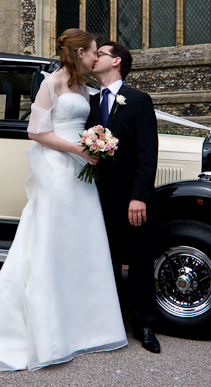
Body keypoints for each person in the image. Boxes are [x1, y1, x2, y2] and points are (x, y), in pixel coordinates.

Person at [0, 29, 127, 372]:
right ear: (80, 53)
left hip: (81, 173)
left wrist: (96, 144)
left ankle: (85, 327)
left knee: (81, 244)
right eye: (93, 51)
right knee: (52, 243)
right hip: (59, 170)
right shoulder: (53, 83)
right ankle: (48, 332)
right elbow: (35, 131)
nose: (96, 57)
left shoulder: (83, 87)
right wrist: (80, 148)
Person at [87, 41, 161, 354]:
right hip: (96, 197)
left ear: (116, 61)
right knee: (108, 261)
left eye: (99, 54)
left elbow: (148, 153)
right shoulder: (89, 102)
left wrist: (139, 197)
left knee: (141, 261)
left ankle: (145, 325)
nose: (94, 58)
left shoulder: (139, 100)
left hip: (131, 199)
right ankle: (113, 321)